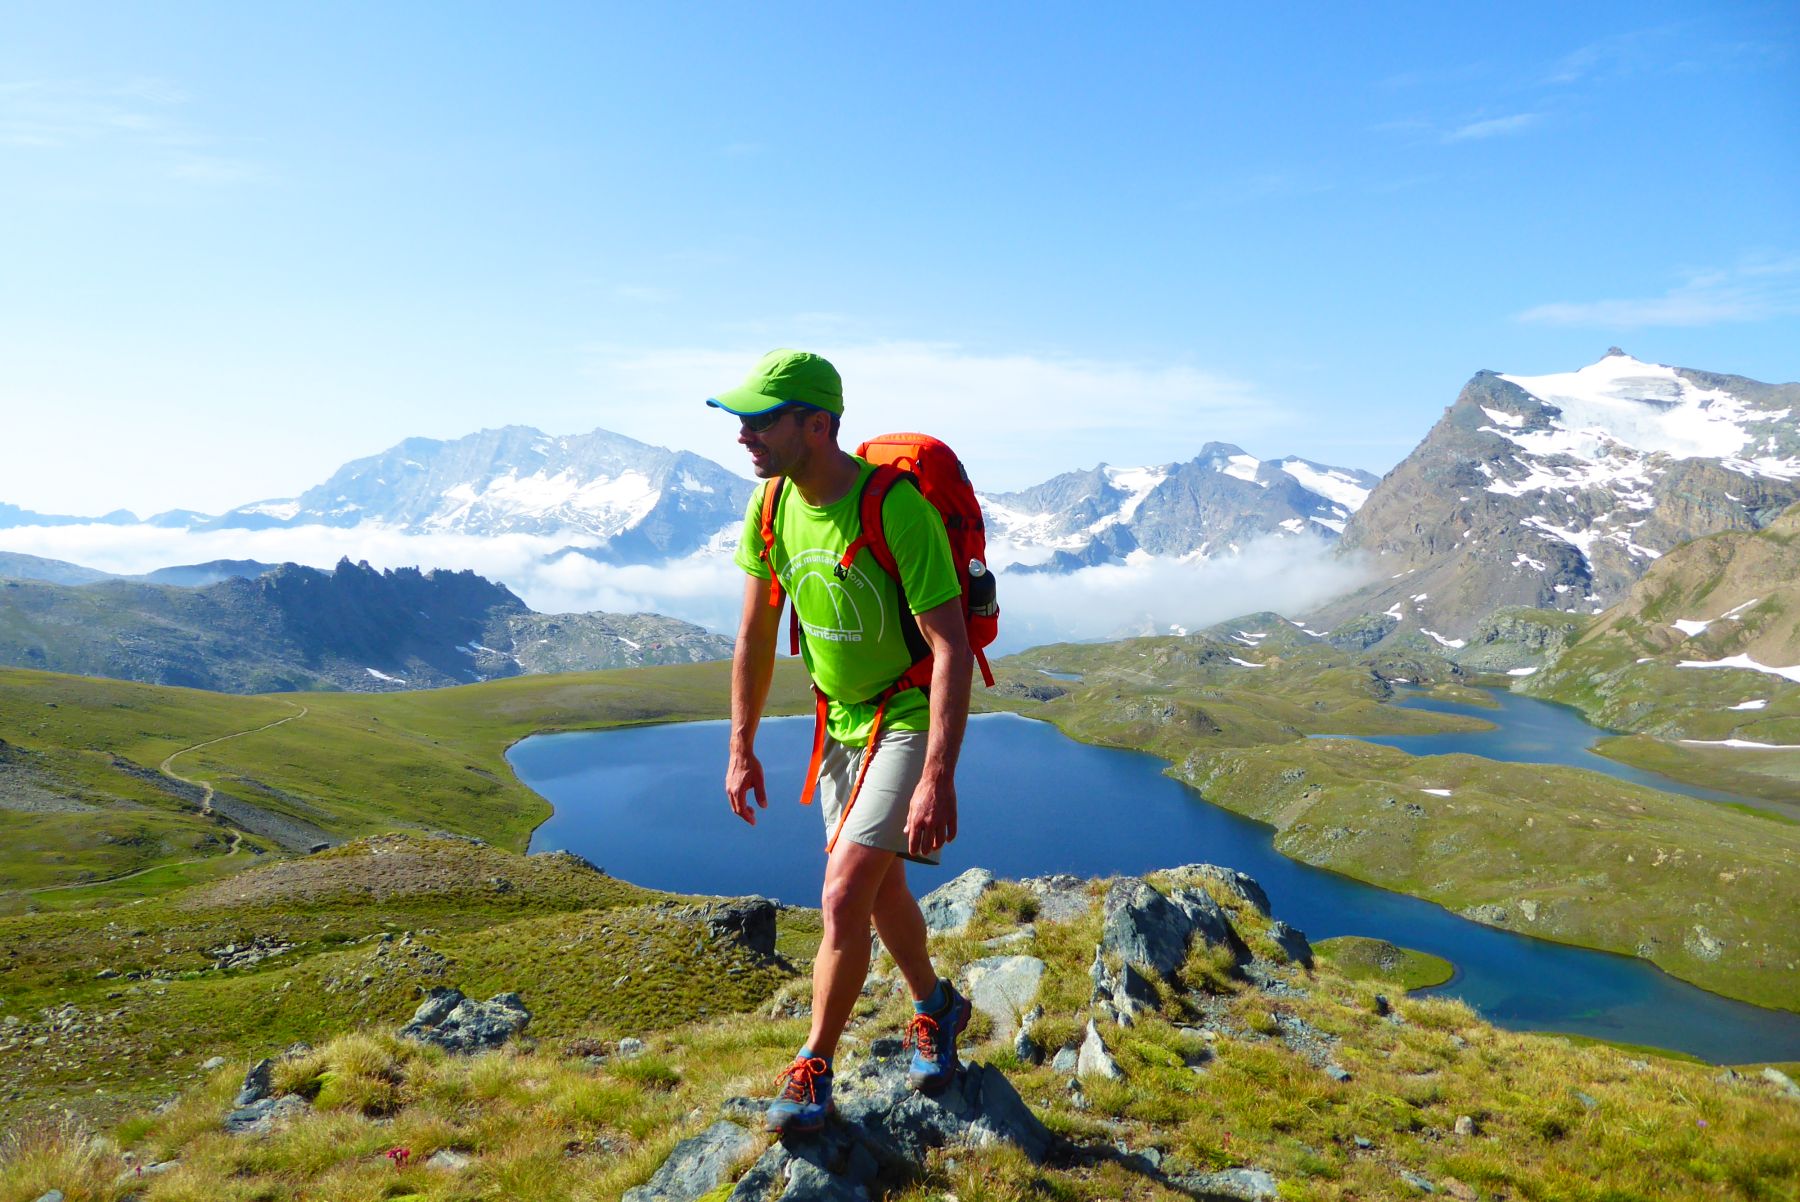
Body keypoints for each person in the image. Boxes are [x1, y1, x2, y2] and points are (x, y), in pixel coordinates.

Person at [709, 348, 975, 1135]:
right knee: (882, 888)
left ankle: (814, 1066)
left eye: (762, 420)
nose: (744, 436)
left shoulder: (895, 509)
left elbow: (952, 646)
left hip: (904, 713)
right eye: (743, 420)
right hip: (840, 721)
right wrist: (740, 743)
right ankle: (938, 1005)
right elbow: (756, 634)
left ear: (816, 424)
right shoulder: (770, 509)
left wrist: (936, 777)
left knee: (841, 896)